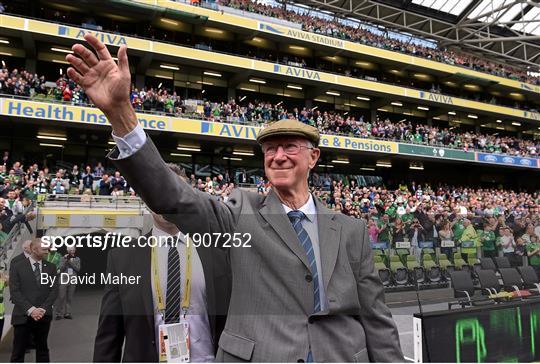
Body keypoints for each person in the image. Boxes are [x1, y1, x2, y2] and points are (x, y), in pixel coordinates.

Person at [67, 33, 403, 362]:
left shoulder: (350, 231)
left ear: (313, 157)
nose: (279, 156)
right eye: (271, 149)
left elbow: (376, 317)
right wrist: (122, 115)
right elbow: (175, 199)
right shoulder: (241, 211)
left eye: (290, 147)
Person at [93, 164, 231, 362]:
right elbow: (109, 335)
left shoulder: (218, 251)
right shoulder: (122, 258)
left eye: (174, 193)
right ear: (144, 198)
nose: (166, 201)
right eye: (157, 192)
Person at [9, 237, 58, 362]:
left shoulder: (51, 267)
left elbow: (54, 291)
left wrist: (42, 309)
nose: (47, 251)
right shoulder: (17, 266)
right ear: (34, 249)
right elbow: (15, 292)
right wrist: (31, 310)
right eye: (44, 249)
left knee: (42, 350)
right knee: (18, 351)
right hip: (22, 316)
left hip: (43, 315)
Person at [54, 246, 81, 320]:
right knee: (61, 297)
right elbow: (60, 268)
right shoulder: (62, 258)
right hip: (63, 279)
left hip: (72, 279)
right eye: (69, 250)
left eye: (72, 250)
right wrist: (65, 261)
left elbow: (77, 268)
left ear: (75, 250)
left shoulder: (77, 259)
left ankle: (67, 313)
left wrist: (70, 262)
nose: (71, 251)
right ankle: (58, 313)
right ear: (67, 250)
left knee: (70, 297)